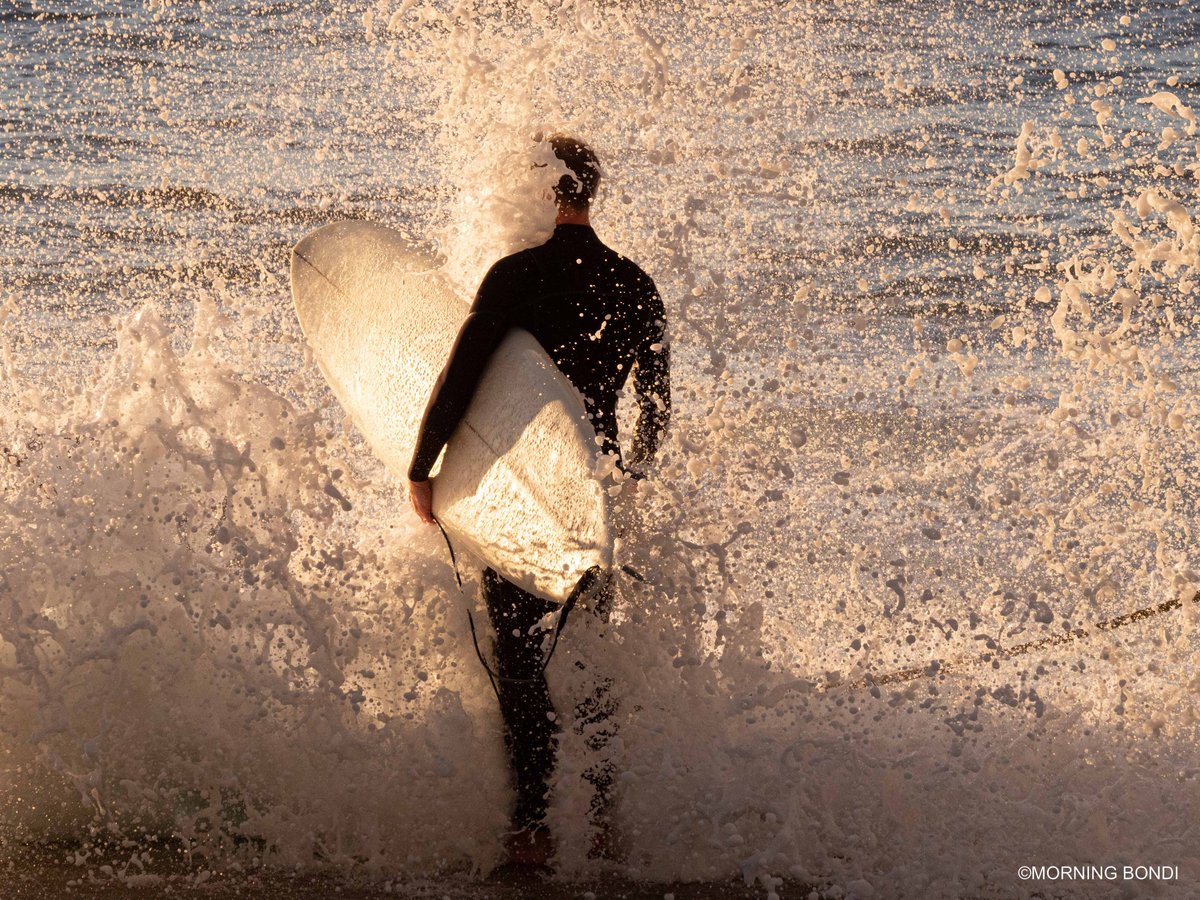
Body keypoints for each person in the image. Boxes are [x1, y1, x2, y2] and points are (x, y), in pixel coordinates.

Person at [406, 135, 670, 867]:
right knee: (591, 661)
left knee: (520, 664)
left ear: (544, 192)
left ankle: (533, 830)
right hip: (595, 504)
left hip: (528, 498)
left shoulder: (517, 275)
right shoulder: (636, 283)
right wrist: (624, 487)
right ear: (591, 192)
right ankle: (606, 825)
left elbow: (462, 378)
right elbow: (656, 411)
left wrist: (422, 468)